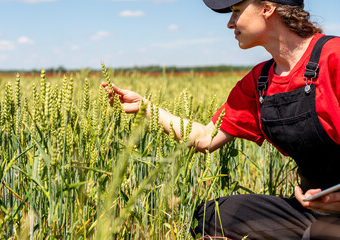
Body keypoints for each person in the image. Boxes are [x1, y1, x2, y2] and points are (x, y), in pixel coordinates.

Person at [102, 0, 340, 239]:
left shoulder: (334, 57)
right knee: (214, 216)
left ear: (267, 9)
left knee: (320, 233)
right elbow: (206, 137)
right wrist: (146, 108)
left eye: (236, 12)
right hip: (311, 209)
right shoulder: (260, 81)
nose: (229, 23)